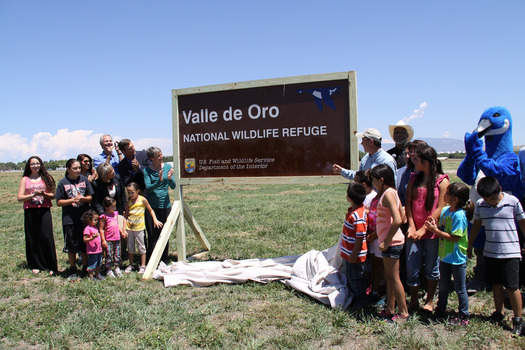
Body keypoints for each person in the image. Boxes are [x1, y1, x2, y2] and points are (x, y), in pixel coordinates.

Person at [468, 176, 525, 337]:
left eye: (493, 198)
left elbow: (522, 222)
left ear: (500, 190)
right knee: (496, 284)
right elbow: (477, 225)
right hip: (490, 252)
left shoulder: (512, 201)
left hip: (511, 252)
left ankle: (518, 319)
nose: (491, 202)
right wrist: (471, 243)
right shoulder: (480, 205)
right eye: (487, 199)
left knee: (512, 286)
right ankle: (498, 312)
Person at [405, 145, 449, 312]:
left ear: (425, 162)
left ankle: (430, 300)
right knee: (411, 267)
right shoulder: (413, 178)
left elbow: (441, 207)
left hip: (432, 233)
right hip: (413, 231)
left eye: (415, 159)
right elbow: (408, 203)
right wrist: (411, 225)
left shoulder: (442, 181)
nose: (412, 160)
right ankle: (414, 300)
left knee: (432, 267)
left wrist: (424, 229)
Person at [425, 182, 470, 326]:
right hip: (444, 256)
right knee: (443, 285)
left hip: (457, 258)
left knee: (460, 288)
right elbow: (442, 228)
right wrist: (435, 225)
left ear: (455, 199)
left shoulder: (459, 216)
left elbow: (455, 237)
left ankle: (464, 315)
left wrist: (436, 231)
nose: (444, 194)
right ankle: (440, 309)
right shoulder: (445, 211)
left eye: (448, 193)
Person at [371, 164, 409, 322]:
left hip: (392, 242)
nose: (372, 183)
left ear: (381, 180)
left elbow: (399, 220)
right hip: (390, 242)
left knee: (394, 278)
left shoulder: (387, 194)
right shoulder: (391, 192)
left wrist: (386, 241)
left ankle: (404, 312)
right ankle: (390, 309)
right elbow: (402, 214)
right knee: (390, 277)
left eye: (374, 180)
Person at [17, 156, 58, 274]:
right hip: (30, 210)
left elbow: (52, 195)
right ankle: (36, 264)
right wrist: (32, 195)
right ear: (28, 166)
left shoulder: (46, 178)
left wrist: (43, 194)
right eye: (33, 164)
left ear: (41, 164)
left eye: (37, 163)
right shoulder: (25, 179)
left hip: (44, 210)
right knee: (33, 237)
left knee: (46, 237)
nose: (35, 166)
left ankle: (51, 265)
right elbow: (20, 197)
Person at [55, 158, 94, 279]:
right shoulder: (63, 183)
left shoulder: (84, 180)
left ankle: (85, 267)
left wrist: (81, 199)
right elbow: (59, 202)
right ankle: (72, 269)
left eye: (78, 168)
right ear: (68, 169)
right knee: (71, 245)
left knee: (84, 243)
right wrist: (73, 200)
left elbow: (90, 197)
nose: (78, 170)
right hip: (69, 218)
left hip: (84, 217)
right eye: (75, 168)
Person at [144, 146, 176, 262]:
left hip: (165, 206)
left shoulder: (168, 167)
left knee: (164, 234)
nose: (161, 157)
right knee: (152, 235)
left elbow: (173, 186)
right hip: (152, 207)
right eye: (158, 156)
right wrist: (159, 180)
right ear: (152, 158)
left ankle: (164, 258)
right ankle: (151, 260)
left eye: (161, 154)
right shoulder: (147, 171)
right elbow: (149, 188)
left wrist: (170, 178)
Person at [355, 171, 382, 302]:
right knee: (367, 264)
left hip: (373, 236)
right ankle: (367, 285)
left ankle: (375, 288)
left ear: (364, 184)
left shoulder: (373, 197)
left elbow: (375, 216)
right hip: (366, 235)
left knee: (374, 264)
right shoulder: (366, 196)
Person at [340, 182, 368, 307]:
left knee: (356, 277)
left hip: (355, 255)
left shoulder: (358, 215)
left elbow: (360, 236)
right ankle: (353, 296)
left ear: (349, 198)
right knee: (351, 276)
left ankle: (360, 300)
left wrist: (354, 253)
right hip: (350, 253)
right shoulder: (354, 212)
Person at [125, 182, 163, 274]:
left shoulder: (143, 200)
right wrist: (124, 228)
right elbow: (126, 215)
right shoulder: (128, 202)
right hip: (130, 228)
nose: (130, 194)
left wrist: (155, 219)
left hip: (139, 228)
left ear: (137, 191)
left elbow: (150, 210)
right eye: (129, 193)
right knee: (130, 247)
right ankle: (131, 264)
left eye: (132, 192)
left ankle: (143, 266)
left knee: (141, 247)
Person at [100, 197, 126, 278]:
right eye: (112, 207)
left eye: (115, 206)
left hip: (117, 238)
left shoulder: (115, 214)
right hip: (108, 239)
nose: (114, 208)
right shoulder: (103, 217)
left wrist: (121, 231)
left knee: (117, 253)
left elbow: (117, 224)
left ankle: (117, 267)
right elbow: (101, 229)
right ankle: (109, 269)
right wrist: (103, 240)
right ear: (106, 207)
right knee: (109, 254)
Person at [81, 210, 105, 281]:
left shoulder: (95, 227)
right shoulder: (87, 228)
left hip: (98, 249)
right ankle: (91, 276)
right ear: (89, 219)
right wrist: (92, 238)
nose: (97, 221)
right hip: (92, 251)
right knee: (92, 264)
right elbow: (85, 239)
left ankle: (97, 274)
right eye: (95, 220)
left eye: (97, 220)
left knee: (98, 263)